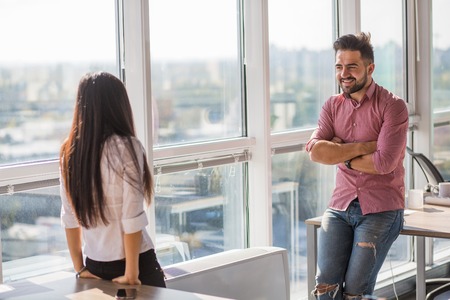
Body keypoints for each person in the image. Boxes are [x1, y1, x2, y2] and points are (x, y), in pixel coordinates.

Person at [306, 32, 408, 299]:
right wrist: (363, 148)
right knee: (325, 288)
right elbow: (316, 152)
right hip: (339, 206)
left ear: (369, 68)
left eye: (352, 66)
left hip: (380, 209)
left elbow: (384, 163)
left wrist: (339, 153)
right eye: (339, 67)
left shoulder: (393, 106)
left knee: (355, 292)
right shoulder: (332, 105)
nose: (344, 73)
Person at [59, 71, 166, 288]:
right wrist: (131, 273)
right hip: (135, 264)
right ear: (118, 106)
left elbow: (69, 216)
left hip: (94, 266)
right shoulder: (126, 147)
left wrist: (79, 267)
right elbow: (132, 215)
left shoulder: (69, 151)